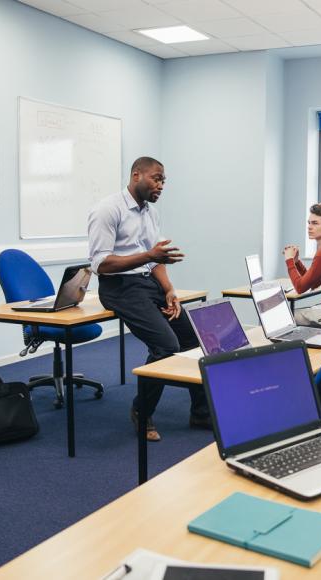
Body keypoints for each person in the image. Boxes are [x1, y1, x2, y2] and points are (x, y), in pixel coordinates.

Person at [88, 156, 210, 442]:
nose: (161, 185)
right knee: (166, 345)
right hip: (118, 286)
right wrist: (149, 256)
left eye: (164, 180)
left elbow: (156, 259)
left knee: (194, 338)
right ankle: (141, 412)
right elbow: (101, 264)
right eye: (157, 178)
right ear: (136, 176)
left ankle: (201, 412)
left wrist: (169, 290)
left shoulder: (150, 213)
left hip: (148, 284)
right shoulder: (107, 210)